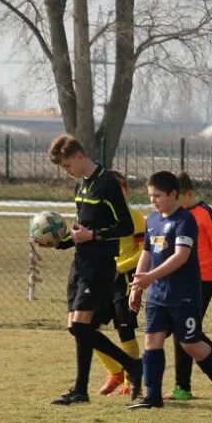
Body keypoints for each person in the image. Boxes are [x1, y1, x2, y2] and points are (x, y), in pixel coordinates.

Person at [128, 171, 212, 410]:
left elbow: (181, 256)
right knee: (152, 341)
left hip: (183, 294)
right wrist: (137, 286)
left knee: (190, 344)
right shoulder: (152, 221)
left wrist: (149, 277)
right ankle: (153, 397)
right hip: (157, 296)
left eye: (157, 196)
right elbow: (146, 253)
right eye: (150, 196)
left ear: (173, 194)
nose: (153, 201)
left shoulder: (185, 220)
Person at [44, 134, 142, 405]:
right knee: (75, 327)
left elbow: (125, 226)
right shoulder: (81, 185)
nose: (67, 171)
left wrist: (95, 236)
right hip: (80, 263)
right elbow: (81, 228)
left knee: (80, 326)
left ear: (79, 156)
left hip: (100, 264)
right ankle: (87, 387)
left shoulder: (107, 183)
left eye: (67, 165)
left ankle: (127, 368)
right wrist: (59, 242)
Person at [170, 171, 212, 401]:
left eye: (177, 198)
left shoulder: (206, 213)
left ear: (188, 193)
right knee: (186, 331)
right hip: (180, 280)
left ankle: (183, 387)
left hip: (203, 280)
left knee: (185, 331)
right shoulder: (175, 214)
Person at [94, 170, 146, 396]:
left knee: (125, 330)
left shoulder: (135, 218)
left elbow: (144, 252)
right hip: (102, 279)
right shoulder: (98, 217)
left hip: (124, 280)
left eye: (119, 189)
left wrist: (120, 267)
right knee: (86, 327)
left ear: (126, 191)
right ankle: (114, 371)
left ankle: (130, 380)